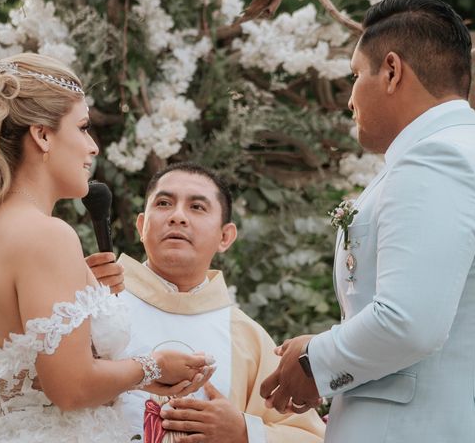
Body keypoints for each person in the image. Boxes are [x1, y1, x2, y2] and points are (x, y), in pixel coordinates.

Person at [260, 0, 475, 442]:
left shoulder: (438, 159)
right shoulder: (472, 153)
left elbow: (409, 322)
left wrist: (316, 360)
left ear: (391, 71)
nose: (350, 98)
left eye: (355, 75)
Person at [0, 54, 213, 443]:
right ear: (42, 135)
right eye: (82, 127)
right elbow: (71, 388)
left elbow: (46, 382)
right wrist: (153, 366)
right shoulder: (47, 235)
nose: (92, 147)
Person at [104, 162, 324, 442]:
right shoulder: (100, 305)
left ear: (225, 236)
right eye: (163, 203)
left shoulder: (248, 337)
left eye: (197, 207)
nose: (177, 216)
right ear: (141, 225)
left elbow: (312, 436)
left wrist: (244, 432)